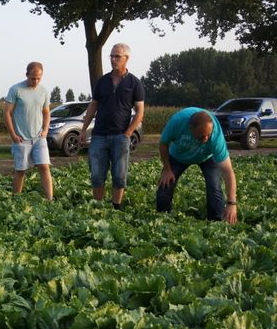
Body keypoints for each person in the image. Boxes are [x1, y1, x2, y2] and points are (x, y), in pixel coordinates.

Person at [80, 43, 145, 210]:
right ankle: (98, 207)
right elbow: (93, 106)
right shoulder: (102, 81)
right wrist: (83, 130)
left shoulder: (134, 83)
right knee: (96, 174)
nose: (113, 59)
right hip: (99, 136)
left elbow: (139, 112)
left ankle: (117, 207)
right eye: (111, 56)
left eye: (117, 56)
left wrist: (127, 133)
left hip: (120, 136)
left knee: (119, 174)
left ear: (126, 59)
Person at [156, 107, 238, 224]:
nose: (205, 139)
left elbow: (228, 172)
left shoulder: (216, 136)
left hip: (207, 157)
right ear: (191, 129)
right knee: (166, 184)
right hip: (178, 156)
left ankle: (216, 222)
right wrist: (167, 169)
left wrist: (231, 203)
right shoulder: (177, 122)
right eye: (201, 136)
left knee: (214, 186)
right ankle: (162, 218)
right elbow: (163, 144)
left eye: (208, 135)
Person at [3, 62, 53, 199]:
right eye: (33, 78)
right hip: (21, 138)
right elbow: (7, 113)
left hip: (39, 138)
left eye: (39, 78)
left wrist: (45, 130)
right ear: (26, 75)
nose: (35, 81)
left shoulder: (44, 91)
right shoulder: (16, 89)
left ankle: (50, 200)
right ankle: (16, 199)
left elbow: (46, 112)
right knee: (20, 171)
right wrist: (13, 135)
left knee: (44, 167)